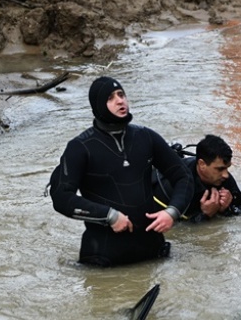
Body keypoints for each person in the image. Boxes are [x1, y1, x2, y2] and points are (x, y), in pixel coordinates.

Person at [49, 77, 193, 267]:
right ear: (99, 105)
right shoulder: (80, 147)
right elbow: (61, 197)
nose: (120, 100)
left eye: (121, 94)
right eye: (111, 98)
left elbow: (184, 177)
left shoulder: (145, 137)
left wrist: (172, 212)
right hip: (103, 261)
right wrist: (109, 216)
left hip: (153, 254)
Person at [153, 134, 241, 223]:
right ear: (202, 164)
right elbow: (173, 230)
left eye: (227, 168)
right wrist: (206, 215)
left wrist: (226, 208)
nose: (226, 175)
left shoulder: (223, 178)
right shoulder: (172, 185)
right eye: (220, 169)